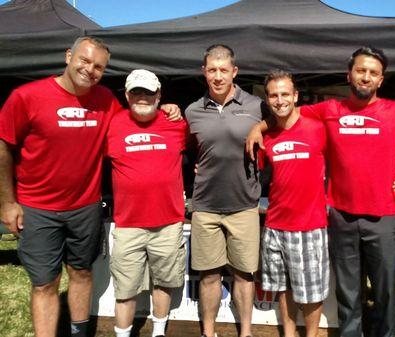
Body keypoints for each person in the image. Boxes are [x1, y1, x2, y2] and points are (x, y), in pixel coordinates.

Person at [0, 36, 180, 337]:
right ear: (68, 55)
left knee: (82, 273)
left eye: (98, 66)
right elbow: (5, 146)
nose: (90, 70)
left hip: (85, 206)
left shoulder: (106, 101)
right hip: (38, 207)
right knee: (45, 282)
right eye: (84, 60)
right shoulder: (26, 96)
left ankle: (79, 332)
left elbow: (140, 116)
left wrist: (169, 108)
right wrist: (7, 202)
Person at [247, 46, 395, 337]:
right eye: (361, 70)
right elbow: (286, 115)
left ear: (381, 80)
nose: (366, 77)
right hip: (342, 215)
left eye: (373, 72)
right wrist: (257, 127)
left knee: (384, 291)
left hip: (384, 215)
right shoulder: (329, 110)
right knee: (348, 291)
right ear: (349, 74)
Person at [185, 44, 268, 337]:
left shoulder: (257, 106)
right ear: (203, 72)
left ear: (234, 71)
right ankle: (209, 332)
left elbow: (285, 120)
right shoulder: (192, 110)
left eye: (223, 70)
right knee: (208, 276)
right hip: (205, 206)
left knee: (244, 276)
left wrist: (262, 126)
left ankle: (245, 332)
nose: (217, 76)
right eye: (212, 70)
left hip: (244, 205)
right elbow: (189, 151)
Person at [106, 69, 187, 337]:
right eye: (136, 92)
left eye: (149, 92)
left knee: (163, 283)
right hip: (128, 224)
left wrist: (172, 109)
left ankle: (158, 333)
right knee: (125, 290)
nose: (143, 97)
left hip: (168, 222)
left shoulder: (176, 123)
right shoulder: (113, 123)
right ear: (127, 95)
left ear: (159, 95)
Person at [258, 70, 329, 337]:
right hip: (275, 224)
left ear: (296, 95)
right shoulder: (267, 138)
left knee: (311, 292)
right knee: (284, 288)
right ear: (268, 99)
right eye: (274, 95)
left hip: (309, 225)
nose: (280, 100)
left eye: (285, 94)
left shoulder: (318, 129)